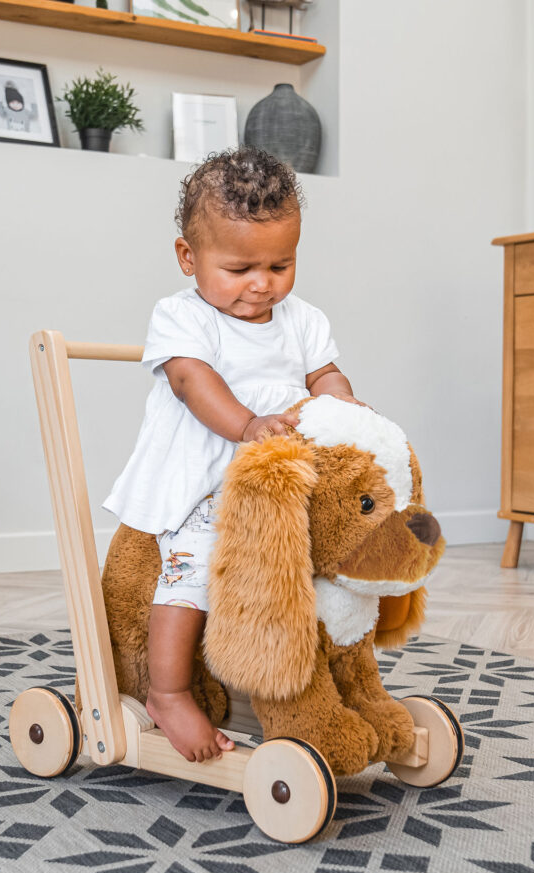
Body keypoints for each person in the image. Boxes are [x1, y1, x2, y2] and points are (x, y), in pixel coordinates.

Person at [103, 147, 363, 763]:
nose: (261, 284)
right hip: (204, 487)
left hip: (276, 487)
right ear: (188, 258)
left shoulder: (302, 320)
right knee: (191, 573)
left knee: (316, 574)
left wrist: (343, 408)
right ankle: (168, 693)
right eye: (240, 267)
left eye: (280, 264)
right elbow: (194, 383)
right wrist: (249, 425)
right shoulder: (182, 317)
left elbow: (326, 375)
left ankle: (308, 687)